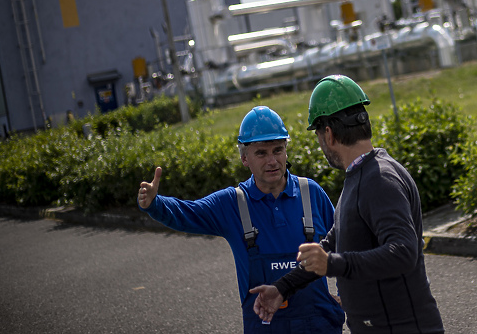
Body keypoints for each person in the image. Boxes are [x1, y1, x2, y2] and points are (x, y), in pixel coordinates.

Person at [250, 75, 445, 334]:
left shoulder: (380, 180)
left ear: (328, 134)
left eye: (318, 134)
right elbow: (333, 243)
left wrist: (333, 264)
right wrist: (283, 287)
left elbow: (403, 251)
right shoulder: (361, 176)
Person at [137, 105, 345, 333]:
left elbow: (346, 243)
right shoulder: (234, 203)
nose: (272, 161)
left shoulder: (311, 192)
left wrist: (347, 296)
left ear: (286, 151)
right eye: (261, 153)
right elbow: (188, 213)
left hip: (320, 325)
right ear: (245, 159)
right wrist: (155, 204)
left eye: (277, 150)